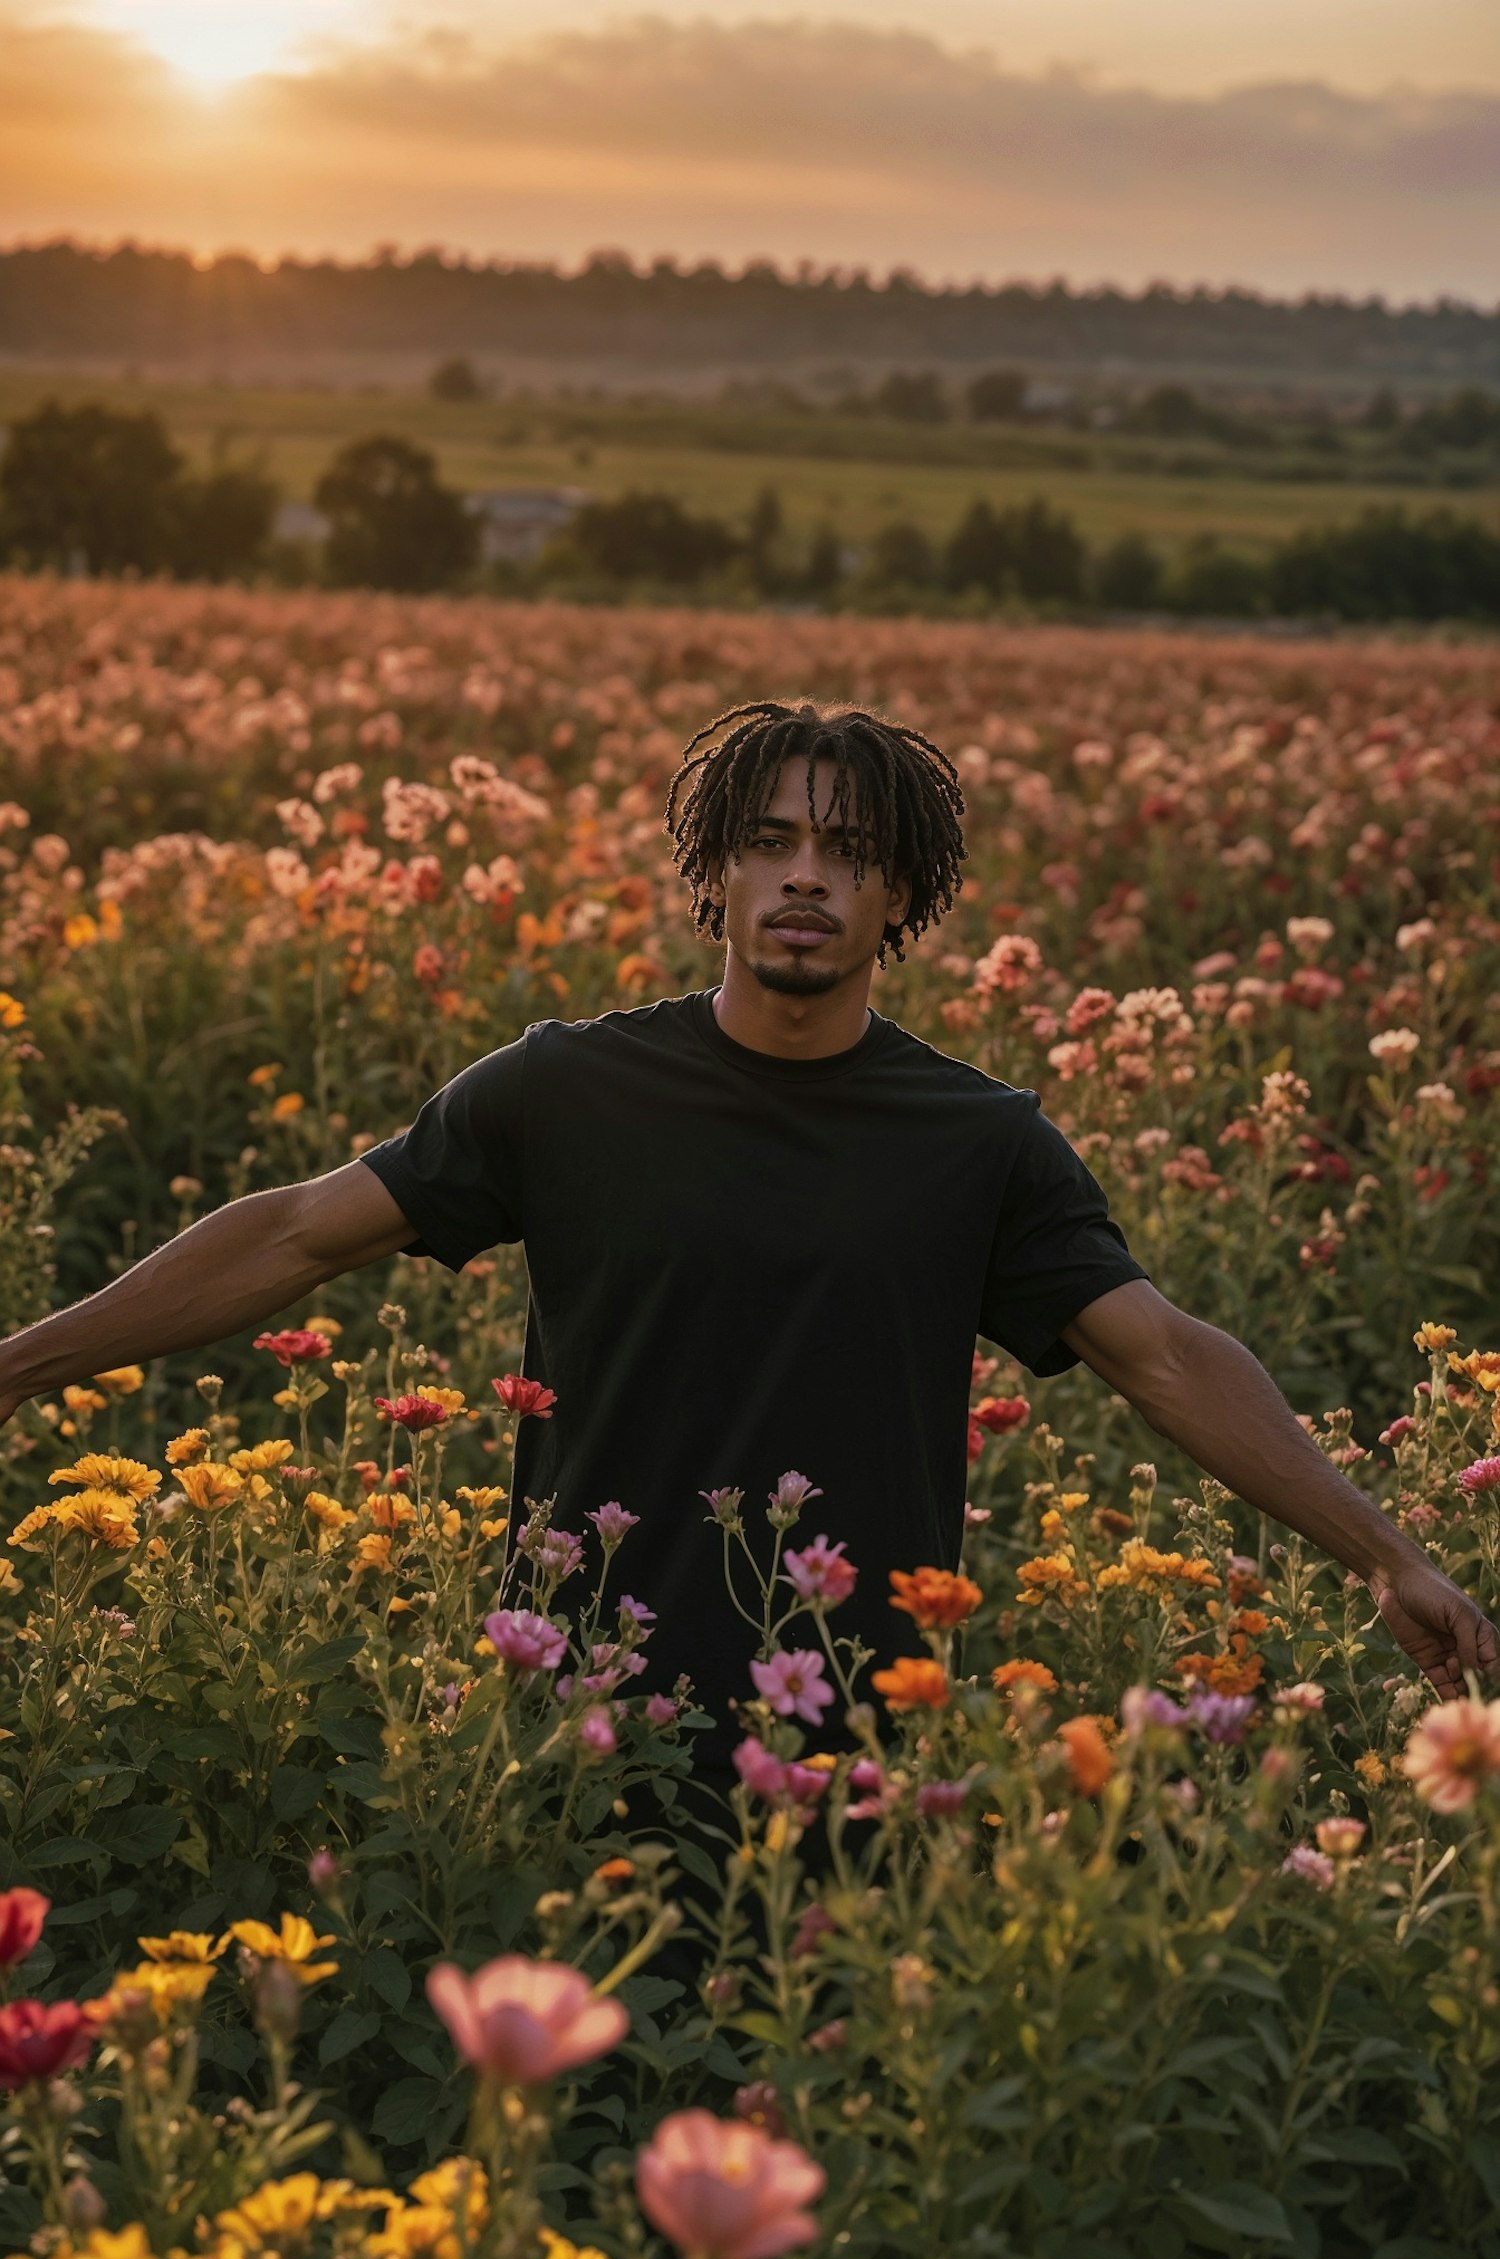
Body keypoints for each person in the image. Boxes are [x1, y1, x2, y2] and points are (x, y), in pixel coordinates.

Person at [0, 699, 1492, 1788]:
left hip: (849, 1741)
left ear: (902, 894)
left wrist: (1386, 1554)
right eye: (769, 841)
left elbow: (1161, 1356)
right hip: (578, 1719)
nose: (804, 877)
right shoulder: (566, 1090)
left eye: (847, 853)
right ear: (712, 869)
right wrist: (25, 1362)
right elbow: (299, 1234)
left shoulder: (979, 1141)